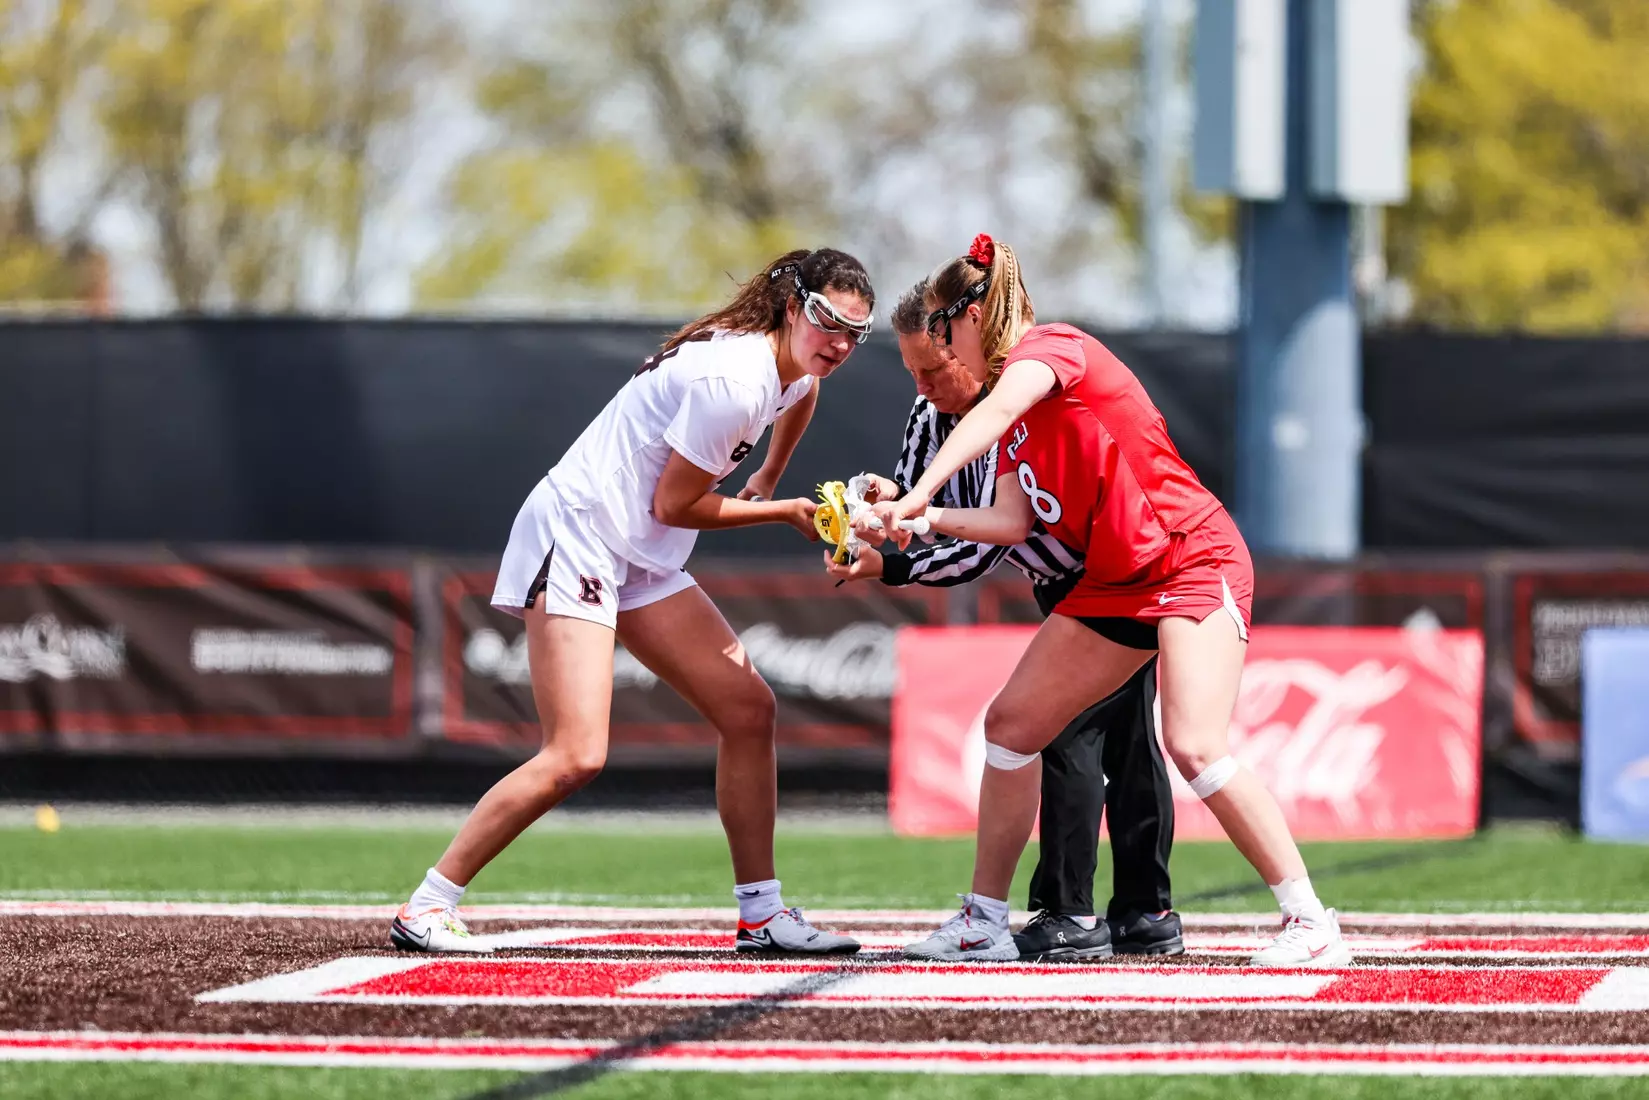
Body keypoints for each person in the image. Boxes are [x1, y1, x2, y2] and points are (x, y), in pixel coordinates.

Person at [864, 234, 1350, 968]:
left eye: (942, 324)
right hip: (1118, 579)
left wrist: (921, 493)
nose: (939, 342)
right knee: (1012, 724)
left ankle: (1309, 920)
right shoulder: (1015, 408)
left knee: (1193, 744)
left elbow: (989, 418)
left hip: (1189, 556)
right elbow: (1009, 524)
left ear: (976, 311)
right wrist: (919, 520)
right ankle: (982, 921)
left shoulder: (1051, 351)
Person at [390, 248, 876, 956]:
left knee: (748, 711)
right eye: (826, 321)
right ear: (791, 304)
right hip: (581, 534)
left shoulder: (788, 367)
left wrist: (768, 473)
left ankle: (761, 916)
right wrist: (781, 511)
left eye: (853, 334)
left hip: (638, 553)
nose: (836, 344)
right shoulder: (733, 382)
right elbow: (676, 504)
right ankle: (427, 906)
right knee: (576, 755)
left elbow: (802, 395)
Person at [825, 281, 1182, 960]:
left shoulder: (1019, 402)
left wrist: (895, 559)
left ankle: (1072, 914)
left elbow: (985, 542)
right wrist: (888, 505)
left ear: (965, 342)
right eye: (911, 373)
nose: (924, 388)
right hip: (1069, 578)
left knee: (1072, 735)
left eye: (933, 369)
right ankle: (1144, 915)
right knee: (1123, 740)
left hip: (1107, 572)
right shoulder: (931, 411)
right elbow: (919, 493)